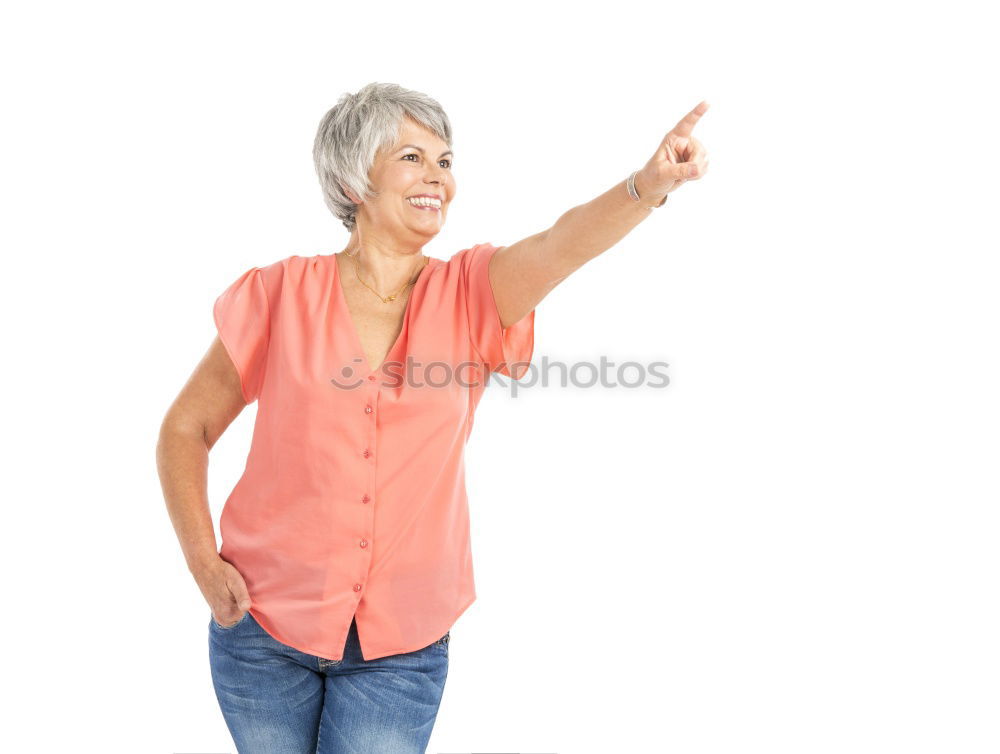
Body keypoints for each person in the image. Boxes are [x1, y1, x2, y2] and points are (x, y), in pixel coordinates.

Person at [156, 81, 709, 753]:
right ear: (357, 178)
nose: (438, 178)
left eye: (445, 162)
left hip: (401, 649)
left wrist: (647, 185)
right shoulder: (278, 294)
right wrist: (201, 563)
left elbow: (564, 243)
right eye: (413, 158)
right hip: (261, 634)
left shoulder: (473, 292)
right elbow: (187, 428)